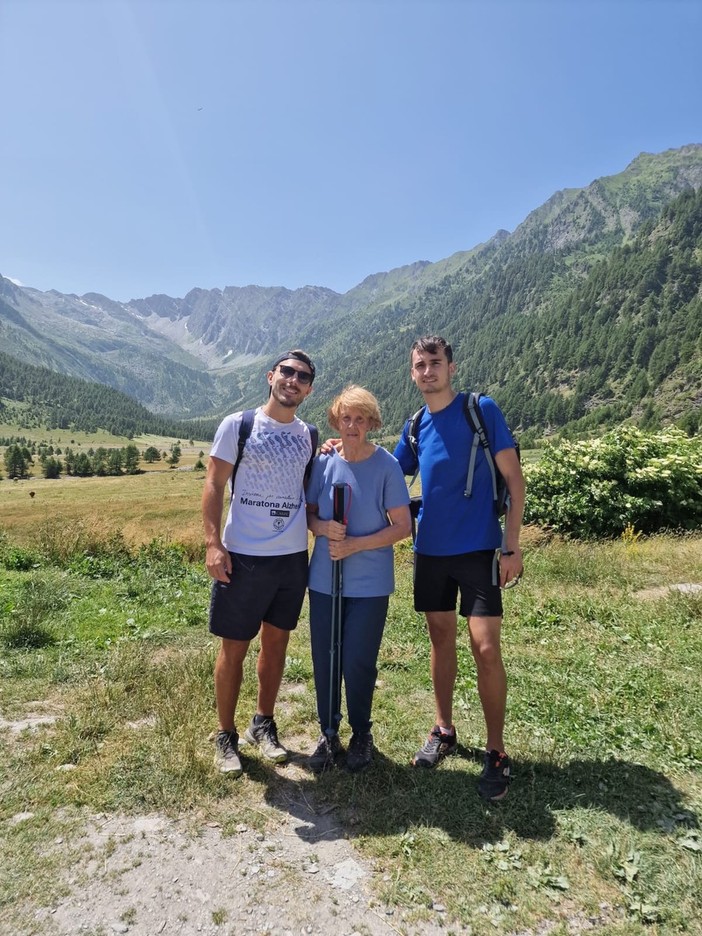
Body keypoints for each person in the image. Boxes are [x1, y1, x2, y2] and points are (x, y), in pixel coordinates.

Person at [393, 336, 524, 801]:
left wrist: (511, 547)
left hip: (479, 551)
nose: (427, 371)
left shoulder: (480, 410)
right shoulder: (414, 425)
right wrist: (340, 447)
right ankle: (444, 729)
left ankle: (496, 751)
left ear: (450, 366)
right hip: (430, 551)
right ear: (412, 373)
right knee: (440, 639)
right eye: (419, 365)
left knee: (486, 649)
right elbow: (386, 473)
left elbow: (514, 479)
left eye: (434, 363)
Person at [202, 350, 317, 777]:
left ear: (309, 388)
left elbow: (307, 487)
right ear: (271, 377)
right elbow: (214, 483)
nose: (293, 380)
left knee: (277, 644)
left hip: (290, 559)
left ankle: (262, 724)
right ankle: (225, 735)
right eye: (286, 372)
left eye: (302, 376)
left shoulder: (309, 434)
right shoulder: (239, 425)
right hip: (243, 556)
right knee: (234, 648)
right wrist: (214, 544)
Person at [306, 386, 411, 773]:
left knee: (358, 660)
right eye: (345, 418)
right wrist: (322, 528)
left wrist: (354, 545)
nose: (352, 426)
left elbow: (402, 526)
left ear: (371, 423)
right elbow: (310, 516)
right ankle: (327, 732)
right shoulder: (324, 463)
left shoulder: (386, 465)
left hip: (369, 584)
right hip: (323, 579)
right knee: (325, 657)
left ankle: (361, 733)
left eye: (360, 419)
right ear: (336, 421)